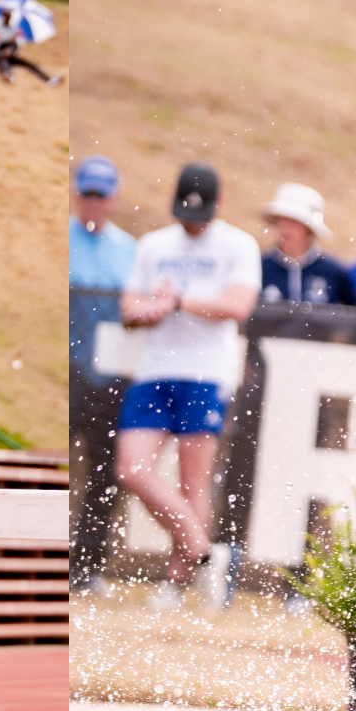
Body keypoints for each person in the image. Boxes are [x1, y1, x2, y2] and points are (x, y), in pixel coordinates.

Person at [116, 163, 260, 612]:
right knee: (131, 470)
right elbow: (128, 308)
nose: (190, 223)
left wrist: (180, 302)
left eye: (199, 215)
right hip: (154, 370)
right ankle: (203, 551)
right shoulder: (153, 245)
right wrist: (151, 310)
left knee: (193, 480)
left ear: (217, 206)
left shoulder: (238, 244)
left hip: (206, 372)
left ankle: (176, 581)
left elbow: (238, 305)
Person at [69, 156, 139, 596]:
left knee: (104, 474)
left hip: (110, 377)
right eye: (87, 193)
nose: (93, 202)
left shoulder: (131, 250)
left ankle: (87, 565)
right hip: (68, 371)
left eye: (101, 194)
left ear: (112, 199)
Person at [258, 183, 356, 306]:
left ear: (309, 229)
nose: (285, 229)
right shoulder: (259, 267)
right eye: (282, 221)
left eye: (294, 222)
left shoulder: (332, 271)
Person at [0, 7, 62, 87]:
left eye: (8, 15)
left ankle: (48, 79)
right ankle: (7, 74)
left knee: (30, 64)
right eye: (6, 15)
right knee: (3, 61)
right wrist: (4, 50)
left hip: (11, 54)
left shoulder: (14, 29)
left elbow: (19, 42)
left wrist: (12, 48)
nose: (7, 17)